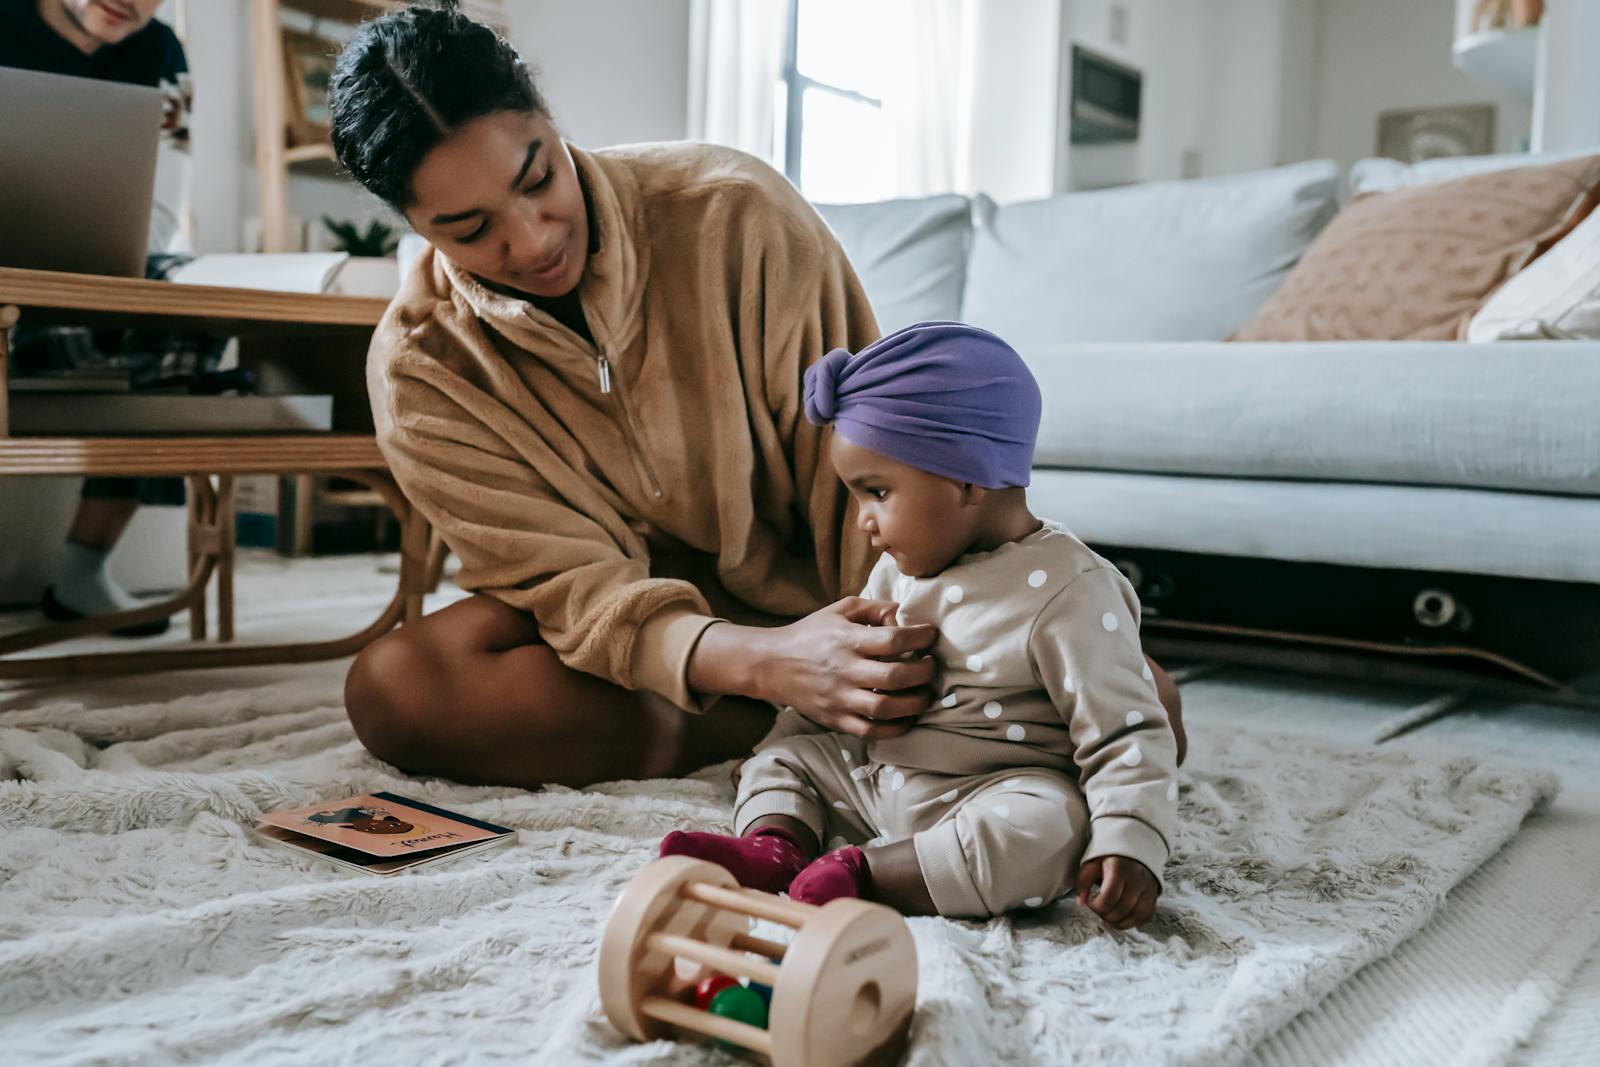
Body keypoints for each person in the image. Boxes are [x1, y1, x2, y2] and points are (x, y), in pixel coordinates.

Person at [327, 2, 1184, 792]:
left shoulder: (733, 215)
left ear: (549, 123)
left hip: (835, 596)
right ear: (415, 226)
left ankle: (837, 718)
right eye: (469, 229)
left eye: (536, 178)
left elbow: (862, 471)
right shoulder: (420, 370)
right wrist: (760, 661)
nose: (532, 238)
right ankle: (802, 722)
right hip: (659, 639)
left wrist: (893, 642)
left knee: (1143, 703)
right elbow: (568, 588)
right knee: (398, 687)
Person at [660, 322, 1181, 929]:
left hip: (997, 792)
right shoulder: (897, 574)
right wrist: (776, 753)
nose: (864, 522)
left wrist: (1130, 841)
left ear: (967, 478)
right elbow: (844, 681)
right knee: (786, 758)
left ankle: (868, 878)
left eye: (876, 492)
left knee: (1053, 827)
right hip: (879, 779)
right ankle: (774, 848)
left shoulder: (1071, 588)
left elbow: (1128, 732)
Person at [1, 0, 196, 637]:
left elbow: (164, 197)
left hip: (99, 276)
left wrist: (122, 261)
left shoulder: (163, 54)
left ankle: (85, 569)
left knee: (184, 305)